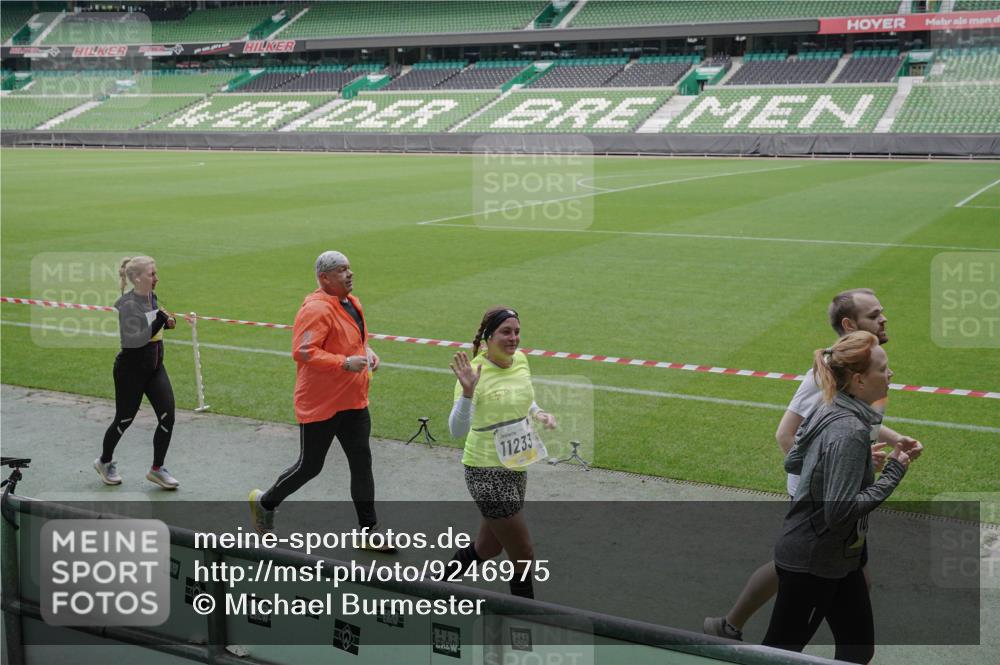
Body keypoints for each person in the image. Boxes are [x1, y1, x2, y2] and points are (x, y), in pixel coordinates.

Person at [705, 288, 923, 640]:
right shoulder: (826, 377)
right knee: (799, 569)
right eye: (873, 315)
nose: (883, 319)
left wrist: (884, 443)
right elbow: (788, 436)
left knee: (845, 575)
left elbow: (853, 424)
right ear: (850, 325)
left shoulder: (864, 370)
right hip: (817, 501)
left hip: (835, 494)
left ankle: (734, 625)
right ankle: (731, 625)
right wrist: (834, 467)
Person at [762, 331, 921, 663]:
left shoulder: (829, 406)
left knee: (857, 649)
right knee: (779, 655)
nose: (891, 375)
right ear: (859, 380)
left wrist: (850, 464)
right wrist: (893, 471)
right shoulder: (850, 430)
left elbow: (794, 460)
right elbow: (839, 514)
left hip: (842, 560)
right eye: (883, 369)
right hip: (813, 563)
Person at [249, 251, 390, 549]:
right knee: (310, 466)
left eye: (349, 268)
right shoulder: (316, 309)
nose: (350, 274)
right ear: (324, 278)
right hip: (322, 403)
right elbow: (303, 352)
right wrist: (343, 362)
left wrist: (367, 351)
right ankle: (265, 503)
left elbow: (355, 339)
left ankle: (369, 531)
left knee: (362, 462)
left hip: (353, 399)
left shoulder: (352, 302)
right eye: (341, 270)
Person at [446, 306, 557, 598]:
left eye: (517, 332)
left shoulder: (520, 360)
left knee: (488, 547)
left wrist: (539, 413)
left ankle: (432, 585)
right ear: (488, 337)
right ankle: (524, 619)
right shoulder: (474, 373)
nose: (513, 338)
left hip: (517, 464)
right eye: (506, 332)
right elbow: (456, 430)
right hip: (486, 472)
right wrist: (467, 393)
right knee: (523, 553)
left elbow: (524, 397)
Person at [94, 256, 179, 489]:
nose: (156, 278)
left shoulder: (151, 297)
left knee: (168, 416)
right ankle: (104, 461)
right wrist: (161, 319)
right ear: (138, 278)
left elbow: (155, 326)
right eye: (152, 274)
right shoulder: (128, 306)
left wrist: (168, 321)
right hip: (130, 372)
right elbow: (136, 341)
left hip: (155, 369)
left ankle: (157, 469)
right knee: (124, 419)